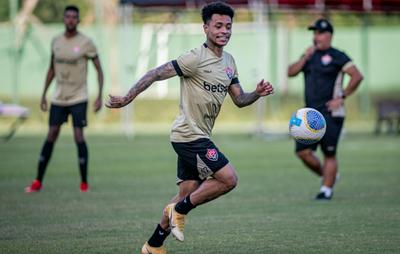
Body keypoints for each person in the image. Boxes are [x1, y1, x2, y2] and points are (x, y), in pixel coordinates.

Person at [106, 2, 274, 253]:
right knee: (228, 179)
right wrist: (127, 98)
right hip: (188, 136)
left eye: (228, 26)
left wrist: (257, 94)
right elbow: (154, 73)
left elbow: (239, 100)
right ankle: (180, 212)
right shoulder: (195, 57)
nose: (224, 31)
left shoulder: (229, 62)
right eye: (218, 26)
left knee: (187, 191)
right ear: (205, 27)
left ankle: (153, 245)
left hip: (198, 135)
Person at [25, 5, 104, 193]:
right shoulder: (56, 41)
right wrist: (44, 93)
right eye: (67, 16)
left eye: (74, 17)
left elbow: (99, 69)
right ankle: (38, 181)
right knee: (51, 134)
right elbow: (51, 69)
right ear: (63, 19)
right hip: (59, 97)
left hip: (79, 96)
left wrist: (100, 95)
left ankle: (84, 183)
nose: (70, 20)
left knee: (78, 136)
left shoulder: (86, 42)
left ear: (78, 20)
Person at [288, 18, 363, 200]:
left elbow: (357, 76)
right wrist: (304, 57)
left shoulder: (338, 56)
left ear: (329, 35)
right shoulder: (310, 55)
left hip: (331, 113)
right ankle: (329, 176)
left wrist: (342, 97)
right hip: (309, 115)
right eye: (314, 33)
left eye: (320, 33)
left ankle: (326, 190)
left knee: (329, 153)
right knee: (302, 152)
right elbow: (290, 72)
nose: (316, 36)